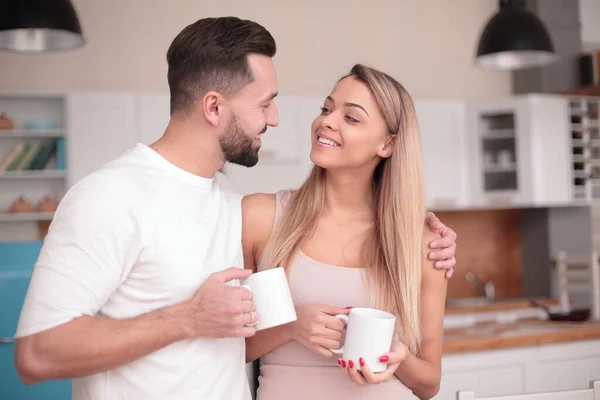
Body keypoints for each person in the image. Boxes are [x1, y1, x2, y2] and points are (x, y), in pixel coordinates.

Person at [13, 17, 456, 400]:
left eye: (351, 116)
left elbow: (238, 336)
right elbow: (36, 353)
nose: (280, 118)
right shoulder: (110, 196)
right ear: (213, 106)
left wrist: (423, 234)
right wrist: (188, 318)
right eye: (265, 104)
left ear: (388, 144)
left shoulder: (228, 202)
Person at [243, 64, 448, 400]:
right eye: (327, 108)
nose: (327, 120)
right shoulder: (261, 218)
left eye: (351, 118)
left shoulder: (424, 243)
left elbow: (429, 383)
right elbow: (228, 349)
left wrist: (398, 357)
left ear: (388, 144)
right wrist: (292, 327)